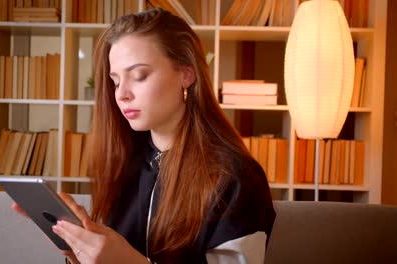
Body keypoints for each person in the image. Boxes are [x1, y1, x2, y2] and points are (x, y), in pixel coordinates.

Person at [15, 7, 275, 264]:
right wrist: (80, 253)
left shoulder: (235, 177)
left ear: (186, 75)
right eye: (116, 81)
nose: (121, 94)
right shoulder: (126, 162)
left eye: (139, 76)